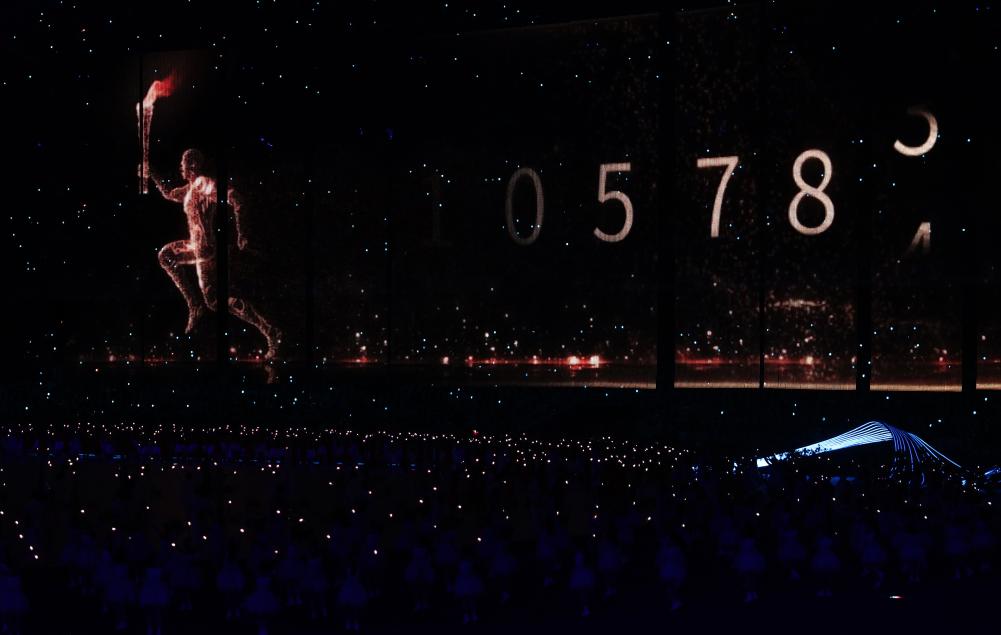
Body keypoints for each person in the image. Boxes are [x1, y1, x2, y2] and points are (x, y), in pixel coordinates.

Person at [153, 149, 282, 359]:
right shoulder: (190, 189)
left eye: (183, 163)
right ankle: (269, 330)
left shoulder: (202, 183)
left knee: (169, 259)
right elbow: (169, 193)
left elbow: (236, 198)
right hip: (197, 247)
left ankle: (269, 330)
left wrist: (243, 234)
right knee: (213, 300)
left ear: (192, 165)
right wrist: (152, 173)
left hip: (204, 249)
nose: (180, 167)